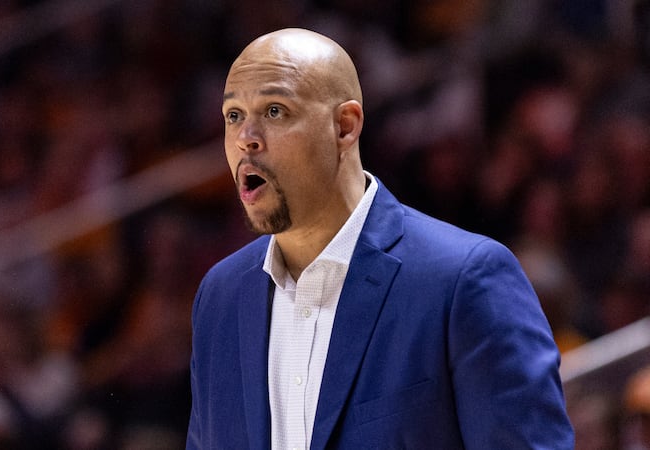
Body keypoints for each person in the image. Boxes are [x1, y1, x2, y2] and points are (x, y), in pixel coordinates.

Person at [187, 28, 574, 449]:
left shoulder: (463, 280)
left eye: (275, 111)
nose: (246, 137)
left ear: (345, 126)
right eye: (233, 115)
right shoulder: (220, 297)